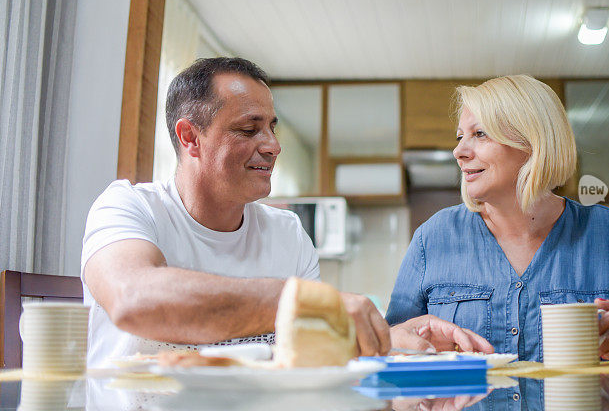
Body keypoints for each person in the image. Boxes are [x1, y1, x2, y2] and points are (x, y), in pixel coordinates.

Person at [81, 57, 392, 367]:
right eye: (248, 129)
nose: (273, 146)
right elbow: (132, 300)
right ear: (190, 137)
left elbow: (314, 355)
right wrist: (300, 302)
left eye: (272, 128)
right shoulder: (128, 207)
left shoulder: (289, 234)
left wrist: (387, 338)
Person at [386, 75, 609, 362]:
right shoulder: (432, 237)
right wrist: (394, 341)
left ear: (532, 142)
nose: (459, 151)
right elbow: (387, 344)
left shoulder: (608, 234)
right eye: (460, 136)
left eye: (480, 134)